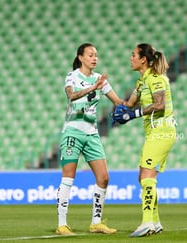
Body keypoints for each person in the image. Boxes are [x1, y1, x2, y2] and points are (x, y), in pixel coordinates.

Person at [55, 43, 123, 235]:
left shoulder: (99, 78)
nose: (95, 58)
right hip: (73, 132)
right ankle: (62, 224)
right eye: (91, 55)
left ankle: (96, 223)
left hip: (91, 133)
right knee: (68, 176)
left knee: (104, 177)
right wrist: (93, 88)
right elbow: (71, 96)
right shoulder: (73, 76)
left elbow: (117, 102)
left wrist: (138, 102)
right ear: (80, 57)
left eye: (96, 55)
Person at [112, 43, 177, 237]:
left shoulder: (156, 79)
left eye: (133, 55)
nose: (130, 58)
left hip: (161, 131)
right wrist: (104, 92)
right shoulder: (141, 82)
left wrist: (133, 114)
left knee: (147, 176)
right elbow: (127, 104)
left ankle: (147, 222)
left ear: (143, 60)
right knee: (144, 176)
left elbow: (160, 104)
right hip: (154, 133)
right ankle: (154, 222)